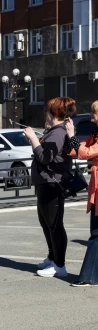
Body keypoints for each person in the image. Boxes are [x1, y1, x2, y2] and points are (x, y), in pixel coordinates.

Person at [24, 97, 75, 278]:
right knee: (46, 222)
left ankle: (59, 265)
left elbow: (45, 157)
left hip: (52, 183)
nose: (45, 114)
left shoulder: (58, 133)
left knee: (54, 225)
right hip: (46, 183)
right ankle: (53, 257)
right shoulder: (55, 131)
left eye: (48, 111)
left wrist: (33, 140)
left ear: (53, 113)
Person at [66, 100, 98, 286]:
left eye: (94, 113)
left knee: (96, 234)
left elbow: (86, 153)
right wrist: (71, 135)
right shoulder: (95, 134)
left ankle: (88, 277)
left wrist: (72, 135)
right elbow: (78, 150)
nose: (91, 117)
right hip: (96, 189)